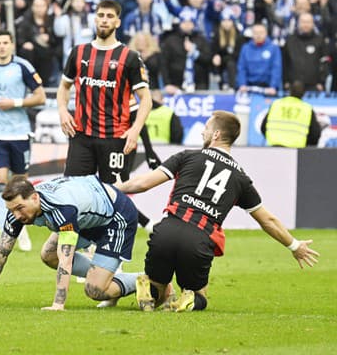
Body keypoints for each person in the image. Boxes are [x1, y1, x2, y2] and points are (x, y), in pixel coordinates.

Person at [116, 110, 319, 312]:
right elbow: (268, 220)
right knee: (199, 294)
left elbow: (142, 184)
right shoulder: (240, 179)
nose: (202, 133)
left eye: (206, 129)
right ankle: (190, 299)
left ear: (216, 135)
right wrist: (294, 246)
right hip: (199, 239)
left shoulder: (187, 156)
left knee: (159, 286)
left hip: (166, 231)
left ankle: (148, 288)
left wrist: (114, 188)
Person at [0, 175, 153, 310]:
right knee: (48, 255)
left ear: (34, 198)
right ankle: (102, 277)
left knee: (95, 290)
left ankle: (150, 280)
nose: (17, 215)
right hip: (85, 217)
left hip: (115, 216)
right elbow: (2, 250)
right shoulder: (19, 211)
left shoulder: (62, 209)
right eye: (12, 210)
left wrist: (58, 304)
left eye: (20, 208)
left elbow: (66, 259)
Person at [57, 0, 153, 185]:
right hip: (81, 136)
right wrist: (62, 110)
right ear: (95, 19)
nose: (104, 20)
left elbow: (146, 100)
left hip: (115, 138)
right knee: (73, 192)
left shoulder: (130, 57)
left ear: (117, 22)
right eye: (101, 15)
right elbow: (64, 87)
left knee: (113, 195)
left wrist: (135, 130)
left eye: (110, 16)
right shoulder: (79, 52)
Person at [0, 30, 46, 252]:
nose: (2, 46)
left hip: (19, 132)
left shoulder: (22, 66)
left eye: (6, 42)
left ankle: (21, 221)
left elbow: (41, 96)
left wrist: (15, 102)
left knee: (20, 183)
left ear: (12, 45)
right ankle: (8, 229)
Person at [261, 81, 321, 147]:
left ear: (289, 91)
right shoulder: (307, 109)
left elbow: (263, 128)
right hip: (296, 149)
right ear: (304, 94)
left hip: (274, 147)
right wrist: (305, 143)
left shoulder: (276, 104)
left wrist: (272, 139)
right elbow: (315, 134)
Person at [236, 23, 283, 96]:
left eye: (261, 32)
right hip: (249, 87)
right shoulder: (245, 48)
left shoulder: (274, 48)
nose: (258, 35)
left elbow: (276, 68)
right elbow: (242, 68)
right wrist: (242, 84)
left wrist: (273, 86)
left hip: (267, 88)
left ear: (266, 33)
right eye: (255, 33)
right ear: (252, 34)